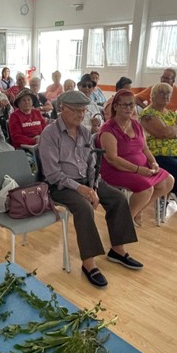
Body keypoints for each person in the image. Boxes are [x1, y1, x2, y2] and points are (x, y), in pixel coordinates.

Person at [39, 90, 142, 289]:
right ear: (62, 109)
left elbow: (93, 163)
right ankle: (89, 264)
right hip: (61, 185)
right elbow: (53, 175)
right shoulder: (49, 134)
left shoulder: (85, 132)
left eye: (83, 111)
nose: (80, 115)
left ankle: (117, 251)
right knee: (84, 208)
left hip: (88, 181)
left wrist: (93, 186)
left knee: (118, 198)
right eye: (76, 110)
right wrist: (82, 190)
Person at [97, 89, 173, 226]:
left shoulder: (136, 124)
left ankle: (137, 210)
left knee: (168, 181)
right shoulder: (108, 129)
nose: (129, 108)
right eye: (124, 105)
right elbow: (112, 159)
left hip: (141, 167)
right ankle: (124, 222)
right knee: (146, 188)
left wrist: (153, 162)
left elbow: (144, 148)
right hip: (116, 170)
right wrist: (138, 169)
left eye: (131, 105)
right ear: (115, 107)